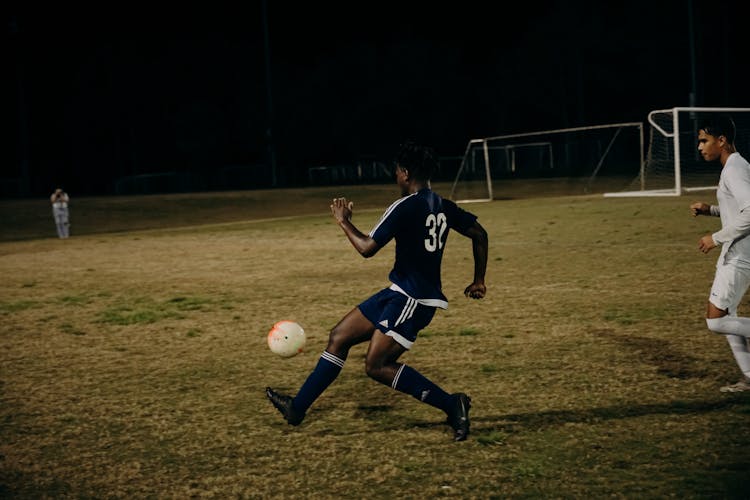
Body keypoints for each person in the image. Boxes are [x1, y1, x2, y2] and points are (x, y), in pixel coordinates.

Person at [266, 141, 489, 441]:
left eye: (397, 172)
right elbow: (479, 233)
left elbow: (367, 248)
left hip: (413, 299)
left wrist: (344, 223)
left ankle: (452, 403)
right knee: (339, 336)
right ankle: (297, 408)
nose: (395, 176)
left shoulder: (404, 206)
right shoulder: (442, 205)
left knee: (376, 366)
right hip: (397, 292)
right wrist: (479, 280)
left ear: (406, 173)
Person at [690, 114, 750, 393]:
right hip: (741, 251)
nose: (700, 146)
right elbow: (738, 211)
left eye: (704, 140)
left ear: (722, 140)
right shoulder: (736, 165)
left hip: (739, 254)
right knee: (729, 316)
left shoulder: (734, 168)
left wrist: (715, 238)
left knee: (716, 321)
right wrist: (710, 211)